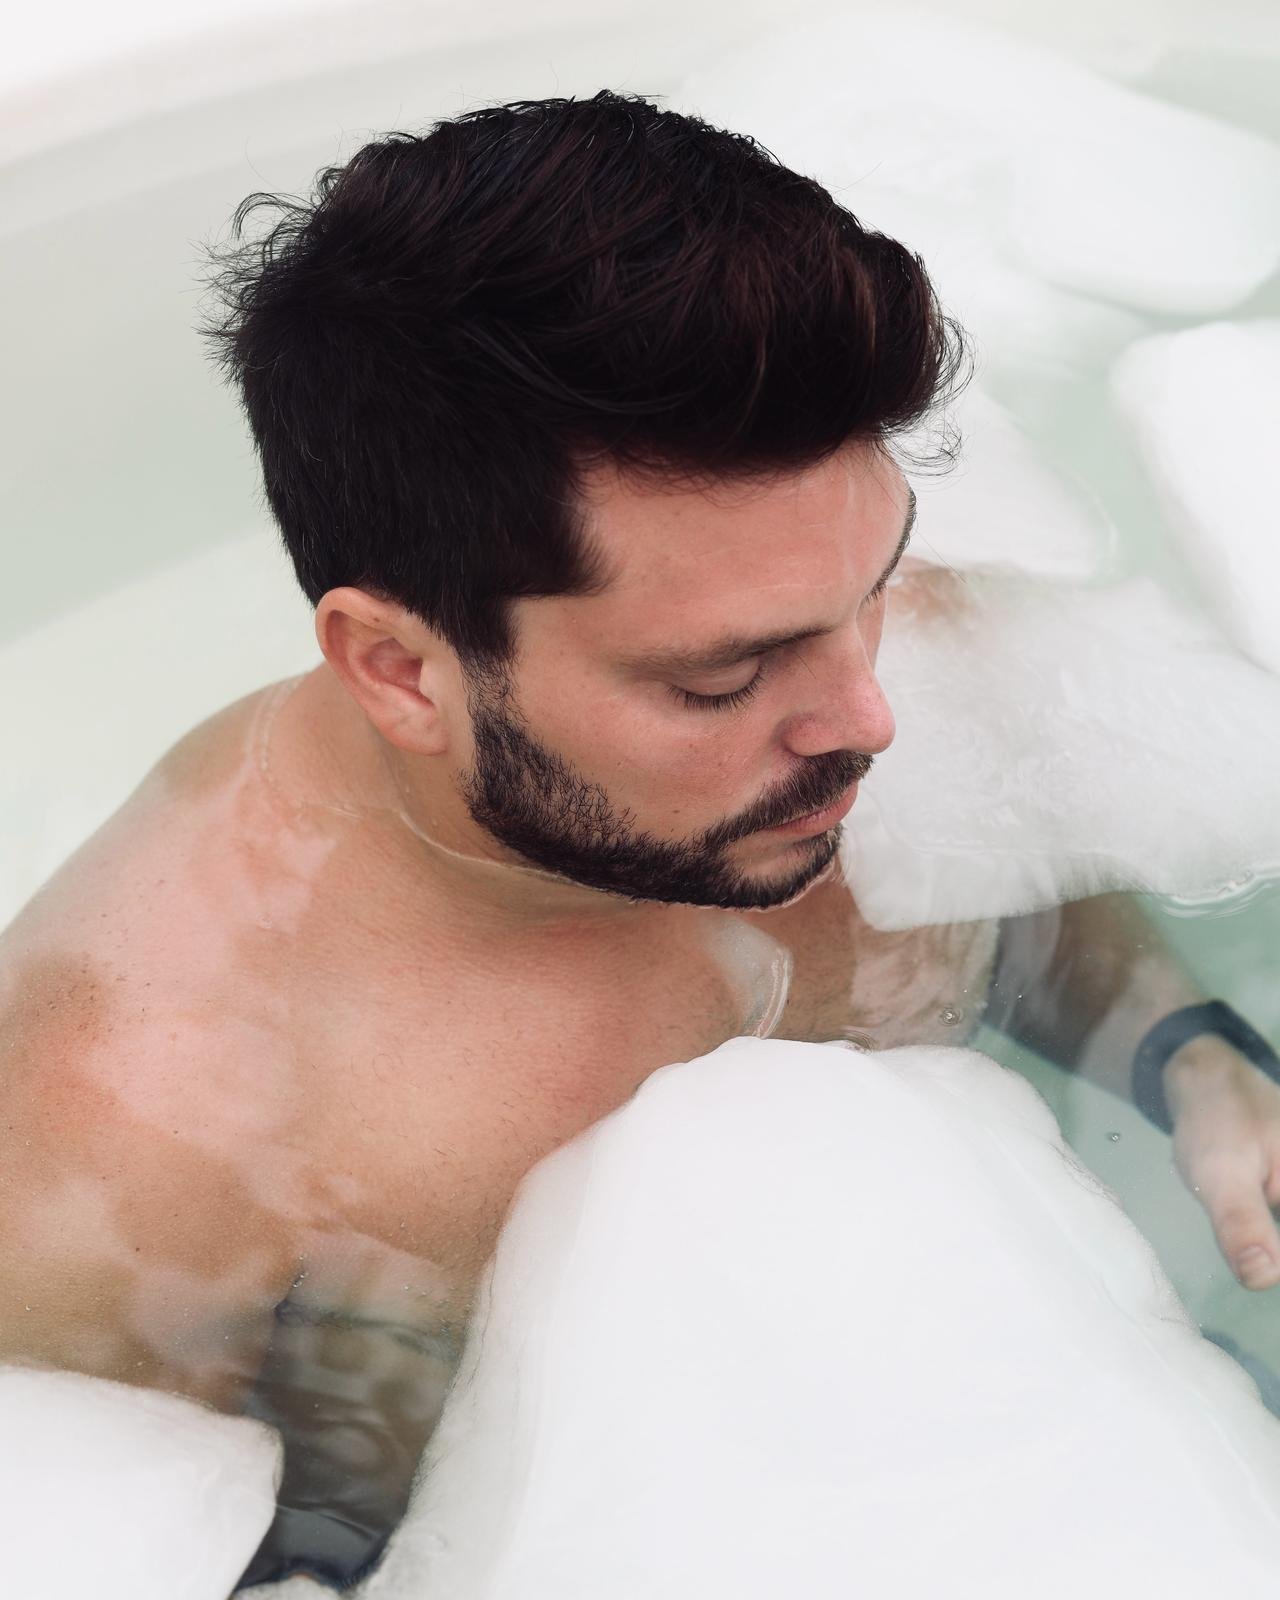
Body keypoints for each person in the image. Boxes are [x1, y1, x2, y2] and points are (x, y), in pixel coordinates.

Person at [2, 90, 1277, 1590]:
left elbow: (1007, 908)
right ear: (402, 671)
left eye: (875, 581)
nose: (868, 711)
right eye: (719, 679)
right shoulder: (140, 1129)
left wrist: (1190, 1058)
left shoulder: (803, 626)